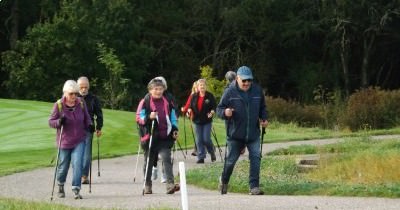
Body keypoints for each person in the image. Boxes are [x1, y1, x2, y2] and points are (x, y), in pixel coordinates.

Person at [216, 66, 268, 195]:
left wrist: (264, 118)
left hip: (253, 133)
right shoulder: (230, 91)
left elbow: (263, 107)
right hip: (235, 134)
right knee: (231, 161)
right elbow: (219, 109)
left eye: (249, 80)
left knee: (256, 157)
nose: (246, 83)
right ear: (237, 79)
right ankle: (224, 180)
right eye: (244, 80)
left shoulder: (257, 90)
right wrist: (225, 112)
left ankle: (254, 186)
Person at [48, 80, 92, 199]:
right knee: (63, 166)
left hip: (79, 139)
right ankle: (61, 185)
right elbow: (50, 122)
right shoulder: (59, 105)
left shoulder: (81, 103)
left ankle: (76, 189)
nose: (74, 96)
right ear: (65, 93)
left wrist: (90, 125)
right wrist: (59, 122)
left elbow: (87, 118)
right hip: (65, 141)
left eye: (75, 93)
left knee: (78, 164)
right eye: (71, 93)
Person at [136, 78, 180, 194]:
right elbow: (139, 118)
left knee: (166, 158)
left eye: (160, 89)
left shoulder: (167, 101)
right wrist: (148, 117)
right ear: (150, 90)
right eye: (156, 89)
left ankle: (170, 184)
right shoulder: (145, 101)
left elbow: (173, 117)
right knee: (149, 161)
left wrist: (175, 129)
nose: (158, 91)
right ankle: (147, 185)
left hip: (164, 136)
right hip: (150, 137)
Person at [77, 76, 103, 184]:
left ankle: (84, 176)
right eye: (81, 87)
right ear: (78, 87)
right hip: (75, 130)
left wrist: (99, 127)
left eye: (86, 87)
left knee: (86, 155)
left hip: (88, 129)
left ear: (88, 87)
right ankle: (77, 174)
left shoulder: (93, 98)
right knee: (77, 154)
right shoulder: (73, 97)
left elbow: (99, 114)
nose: (84, 89)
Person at [187, 79, 217, 163]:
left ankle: (211, 152)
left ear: (206, 86)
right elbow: (190, 106)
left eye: (203, 85)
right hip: (197, 120)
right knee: (199, 139)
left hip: (207, 120)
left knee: (206, 139)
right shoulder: (194, 96)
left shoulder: (209, 96)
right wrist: (189, 111)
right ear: (198, 87)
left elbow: (214, 107)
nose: (202, 86)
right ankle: (201, 157)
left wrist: (212, 112)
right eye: (200, 85)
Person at [181, 81, 199, 156]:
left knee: (199, 133)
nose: (196, 89)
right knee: (198, 133)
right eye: (195, 87)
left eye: (197, 87)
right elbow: (188, 104)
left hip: (203, 117)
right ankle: (209, 146)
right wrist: (185, 109)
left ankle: (197, 149)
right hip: (194, 117)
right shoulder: (192, 95)